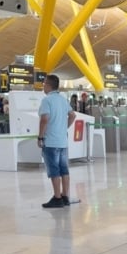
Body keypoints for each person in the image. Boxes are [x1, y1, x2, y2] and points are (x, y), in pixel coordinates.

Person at [38, 74, 77, 208]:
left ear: (48, 85)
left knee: (54, 170)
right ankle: (65, 195)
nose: (43, 86)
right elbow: (72, 115)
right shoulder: (62, 99)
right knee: (64, 169)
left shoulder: (46, 100)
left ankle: (57, 197)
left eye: (44, 84)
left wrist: (40, 137)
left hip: (51, 141)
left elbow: (44, 120)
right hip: (62, 141)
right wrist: (64, 127)